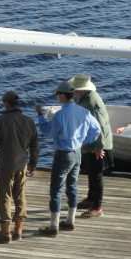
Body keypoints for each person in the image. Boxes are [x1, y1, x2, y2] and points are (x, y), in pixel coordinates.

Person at [35, 80, 101, 237]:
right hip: (77, 153)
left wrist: (40, 116)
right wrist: (84, 142)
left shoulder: (59, 115)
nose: (56, 96)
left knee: (56, 190)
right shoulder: (84, 112)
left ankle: (53, 227)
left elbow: (48, 133)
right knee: (72, 186)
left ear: (63, 96)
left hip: (63, 154)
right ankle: (70, 222)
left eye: (57, 94)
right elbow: (96, 129)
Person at [0, 90, 39, 243]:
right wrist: (33, 163)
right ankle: (19, 229)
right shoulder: (28, 121)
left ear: (6, 104)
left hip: (5, 165)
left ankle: (5, 232)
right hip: (22, 165)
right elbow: (34, 145)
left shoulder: (0, 120)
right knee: (20, 196)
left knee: (4, 196)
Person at [71, 73, 113, 218]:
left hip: (97, 144)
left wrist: (99, 147)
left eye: (76, 88)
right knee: (91, 171)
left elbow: (100, 126)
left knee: (97, 174)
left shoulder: (92, 102)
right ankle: (90, 198)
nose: (74, 91)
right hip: (89, 142)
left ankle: (97, 207)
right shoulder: (82, 98)